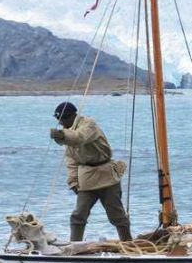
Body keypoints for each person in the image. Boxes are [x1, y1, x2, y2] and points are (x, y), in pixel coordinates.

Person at [49, 101, 132, 242]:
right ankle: (74, 245)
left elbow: (79, 138)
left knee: (117, 215)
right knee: (78, 215)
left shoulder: (88, 124)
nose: (61, 124)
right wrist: (73, 182)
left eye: (62, 120)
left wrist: (63, 135)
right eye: (58, 121)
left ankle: (129, 244)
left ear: (72, 116)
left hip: (106, 177)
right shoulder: (68, 135)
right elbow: (71, 161)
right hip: (86, 179)